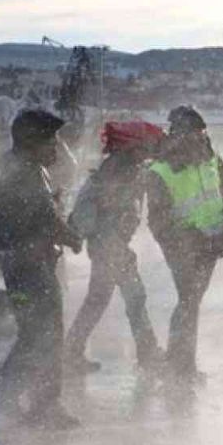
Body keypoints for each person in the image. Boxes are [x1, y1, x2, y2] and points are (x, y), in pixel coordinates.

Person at [0, 109, 83, 428]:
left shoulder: (20, 167)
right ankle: (45, 406)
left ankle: (4, 394)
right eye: (50, 141)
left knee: (33, 333)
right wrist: (72, 237)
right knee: (48, 334)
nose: (56, 147)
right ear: (31, 142)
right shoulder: (26, 172)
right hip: (32, 266)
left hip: (22, 264)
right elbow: (45, 218)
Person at [145, 106, 223, 395]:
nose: (201, 138)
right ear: (179, 135)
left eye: (203, 132)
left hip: (211, 243)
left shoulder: (213, 159)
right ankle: (180, 367)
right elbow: (157, 221)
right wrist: (181, 241)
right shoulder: (160, 171)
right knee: (188, 301)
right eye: (195, 133)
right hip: (183, 248)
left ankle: (181, 364)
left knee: (191, 302)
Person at [66, 121, 165, 377]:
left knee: (98, 300)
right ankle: (148, 354)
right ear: (133, 146)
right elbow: (114, 207)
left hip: (106, 243)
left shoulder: (121, 166)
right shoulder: (121, 169)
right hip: (110, 244)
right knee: (135, 297)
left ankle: (71, 352)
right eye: (145, 147)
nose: (148, 151)